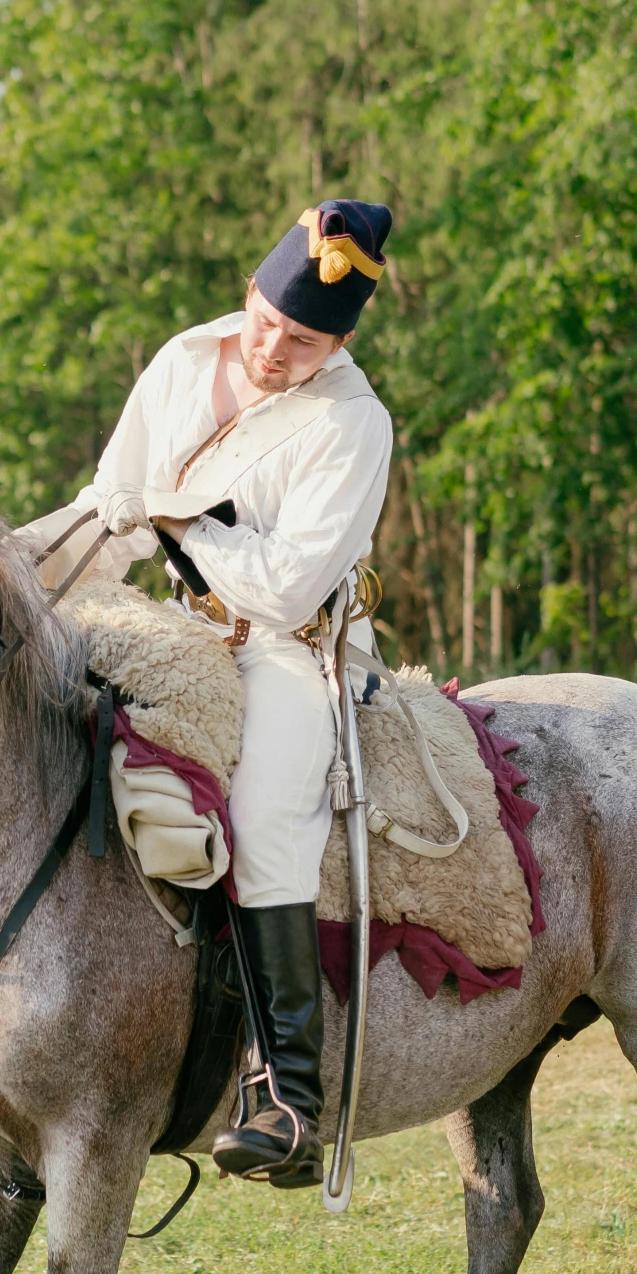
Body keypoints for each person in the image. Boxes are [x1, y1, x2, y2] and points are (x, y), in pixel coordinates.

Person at [78, 200, 394, 1187]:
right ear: (248, 293)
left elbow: (289, 584)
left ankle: (289, 1098)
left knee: (263, 818)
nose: (271, 347)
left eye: (300, 340)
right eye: (264, 320)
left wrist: (181, 525)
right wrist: (20, 574)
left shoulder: (352, 423)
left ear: (337, 343)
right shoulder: (181, 361)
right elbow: (112, 511)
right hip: (168, 624)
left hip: (291, 646)